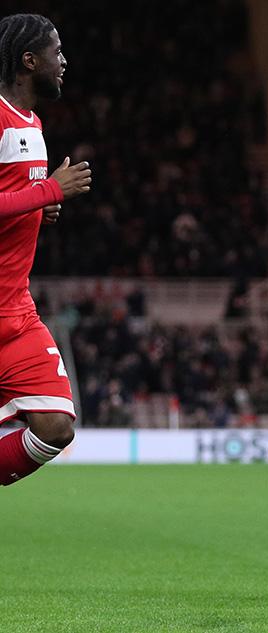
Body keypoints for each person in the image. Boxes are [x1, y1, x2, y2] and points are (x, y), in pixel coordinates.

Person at [0, 14, 92, 487]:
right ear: (28, 60)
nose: (64, 62)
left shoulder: (31, 122)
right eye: (55, 53)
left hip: (16, 312)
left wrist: (39, 210)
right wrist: (48, 194)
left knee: (56, 428)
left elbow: (13, 199)